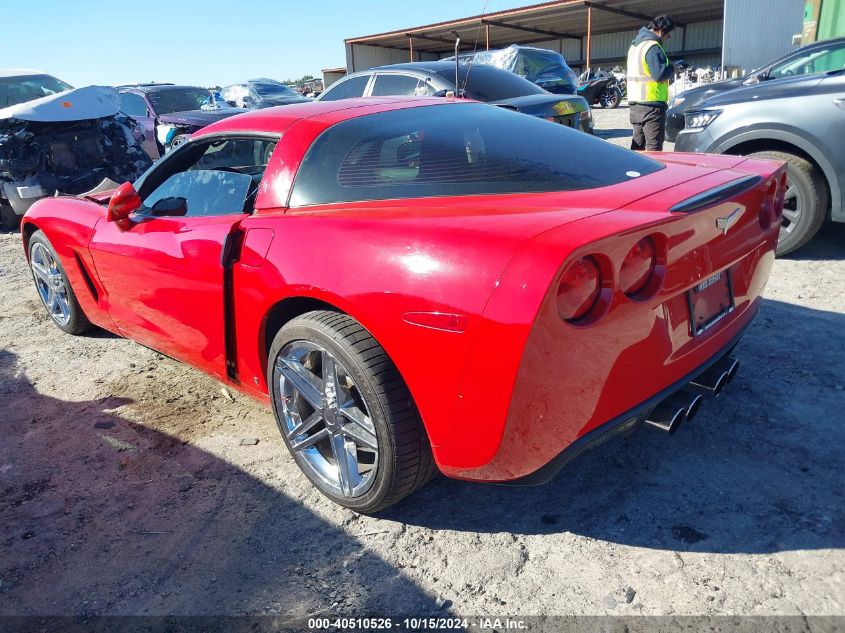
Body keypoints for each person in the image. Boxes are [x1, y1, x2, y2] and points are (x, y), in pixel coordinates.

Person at [626, 14, 676, 151]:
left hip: (635, 105)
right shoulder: (653, 47)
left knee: (638, 147)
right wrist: (672, 68)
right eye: (668, 35)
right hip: (652, 106)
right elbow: (659, 75)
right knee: (654, 149)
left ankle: (633, 172)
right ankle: (653, 174)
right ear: (661, 30)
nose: (667, 38)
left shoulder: (635, 46)